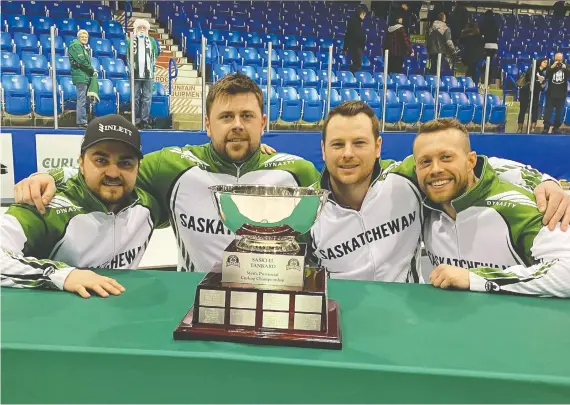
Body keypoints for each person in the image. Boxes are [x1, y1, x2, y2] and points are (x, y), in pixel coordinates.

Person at [13, 73, 320, 273]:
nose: (237, 124)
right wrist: (55, 176)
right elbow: (114, 171)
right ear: (208, 124)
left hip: (275, 305)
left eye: (247, 116)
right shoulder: (173, 166)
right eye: (226, 116)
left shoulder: (296, 172)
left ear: (262, 123)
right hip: (196, 304)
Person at [308, 102, 570, 281]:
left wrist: (545, 181)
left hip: (408, 317)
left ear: (378, 147)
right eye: (337, 144)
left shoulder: (405, 176)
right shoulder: (306, 207)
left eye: (359, 143)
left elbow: (465, 164)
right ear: (322, 149)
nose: (348, 154)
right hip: (341, 317)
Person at [1, 115, 163, 299]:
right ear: (81, 163)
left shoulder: (149, 206)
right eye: (101, 160)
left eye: (125, 163)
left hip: (120, 313)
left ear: (138, 168)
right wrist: (63, 275)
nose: (112, 172)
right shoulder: (48, 206)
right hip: (54, 318)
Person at [413, 118, 570, 297]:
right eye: (425, 162)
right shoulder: (421, 202)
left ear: (471, 161)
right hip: (450, 320)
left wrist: (478, 279)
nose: (435, 169)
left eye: (446, 157)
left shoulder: (519, 208)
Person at [127, 19, 161, 129]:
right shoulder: (130, 40)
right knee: (135, 97)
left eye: (144, 28)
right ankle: (135, 120)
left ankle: (145, 120)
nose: (142, 30)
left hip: (148, 74)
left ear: (147, 29)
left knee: (147, 98)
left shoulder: (152, 41)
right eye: (140, 28)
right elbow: (127, 55)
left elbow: (155, 55)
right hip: (135, 74)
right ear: (136, 29)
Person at [68, 29, 98, 128]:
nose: (84, 38)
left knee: (83, 99)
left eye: (86, 37)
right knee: (81, 99)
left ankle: (83, 120)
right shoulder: (76, 46)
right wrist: (92, 69)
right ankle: (81, 121)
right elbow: (82, 61)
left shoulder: (82, 47)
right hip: (80, 76)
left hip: (84, 76)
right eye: (82, 37)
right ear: (78, 37)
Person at [518, 58, 548, 133]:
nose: (545, 64)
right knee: (523, 108)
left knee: (535, 108)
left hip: (536, 92)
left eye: (546, 62)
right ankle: (520, 127)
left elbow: (543, 85)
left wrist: (542, 83)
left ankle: (533, 126)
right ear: (540, 62)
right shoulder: (533, 68)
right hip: (526, 91)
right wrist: (537, 78)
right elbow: (528, 77)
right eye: (544, 62)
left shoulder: (545, 73)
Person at [542, 53, 570, 134]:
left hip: (561, 94)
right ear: (554, 59)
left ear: (563, 59)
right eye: (556, 60)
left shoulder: (566, 66)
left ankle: (556, 127)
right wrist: (552, 67)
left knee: (559, 112)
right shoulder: (550, 66)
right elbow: (546, 75)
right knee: (548, 111)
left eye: (560, 60)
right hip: (551, 93)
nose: (558, 62)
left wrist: (566, 68)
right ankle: (546, 127)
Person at [343, 6, 367, 73]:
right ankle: (352, 74)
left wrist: (345, 47)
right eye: (363, 15)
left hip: (354, 46)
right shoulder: (355, 22)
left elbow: (347, 35)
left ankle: (353, 74)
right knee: (357, 64)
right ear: (360, 14)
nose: (364, 17)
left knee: (357, 63)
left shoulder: (354, 21)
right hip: (356, 46)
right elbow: (356, 35)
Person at [478, 10, 499, 80]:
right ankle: (490, 79)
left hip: (486, 45)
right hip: (495, 46)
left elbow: (480, 34)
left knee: (485, 62)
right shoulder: (495, 24)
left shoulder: (483, 23)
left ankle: (484, 77)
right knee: (491, 64)